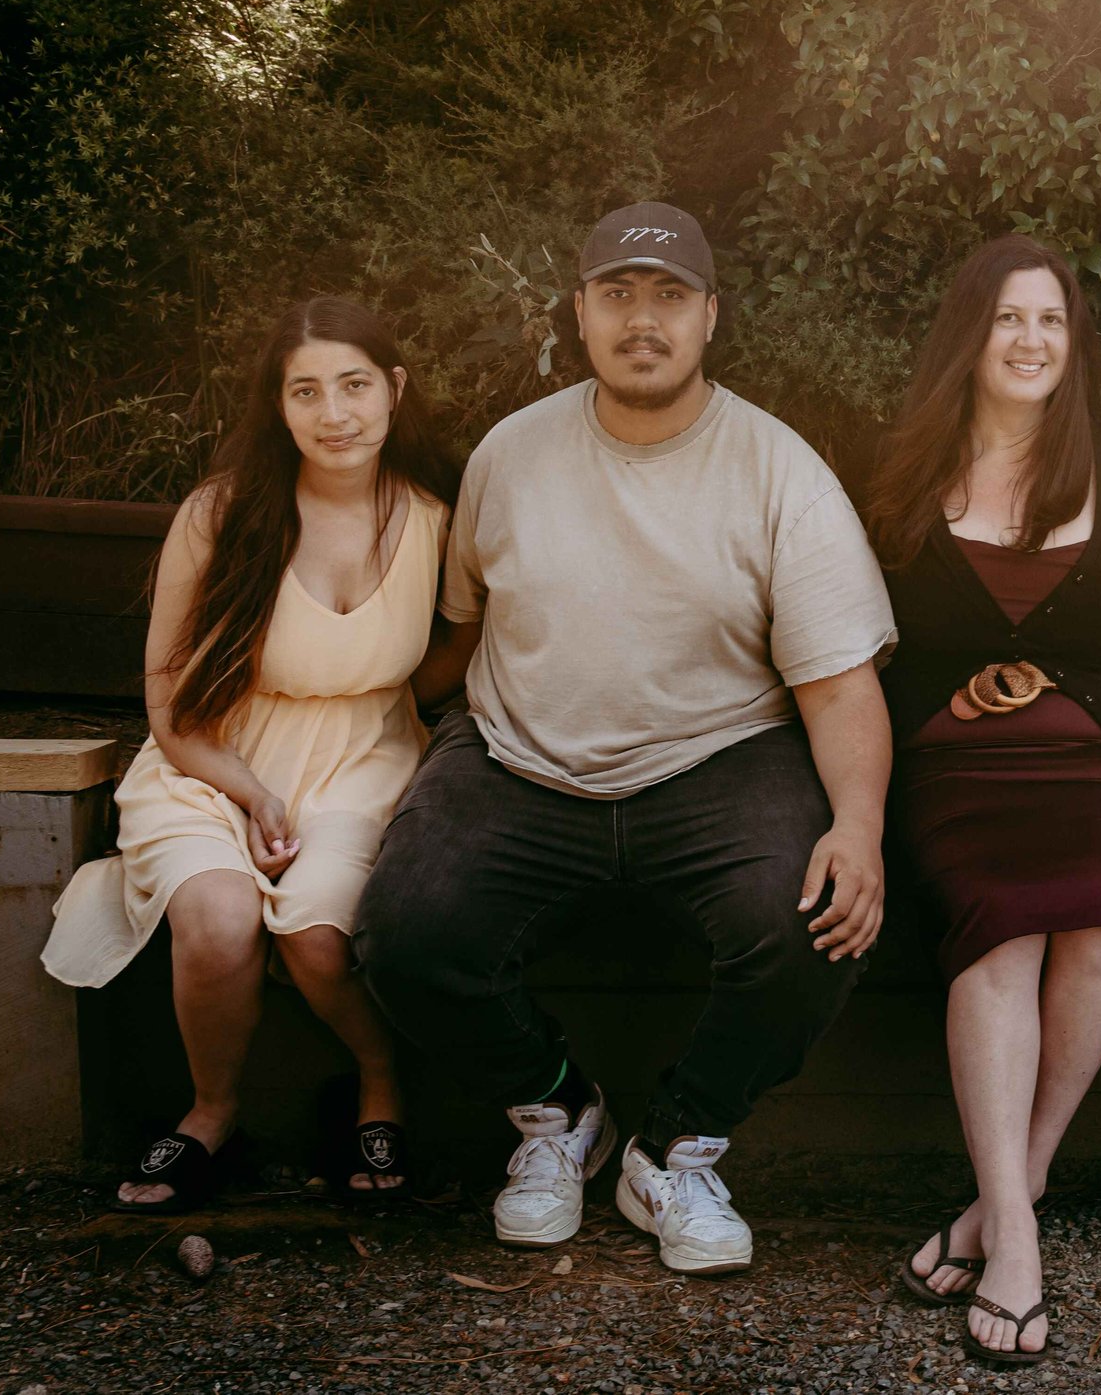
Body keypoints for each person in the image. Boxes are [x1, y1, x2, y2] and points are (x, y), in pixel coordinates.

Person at [356, 202, 895, 1274]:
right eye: (618, 294)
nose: (640, 318)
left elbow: (837, 687)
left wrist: (861, 825)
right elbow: (463, 632)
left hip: (717, 759)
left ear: (709, 317)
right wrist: (343, 729)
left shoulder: (779, 469)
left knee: (817, 924)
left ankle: (674, 1149)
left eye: (667, 296)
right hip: (520, 758)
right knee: (402, 931)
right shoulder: (513, 454)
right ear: (582, 313)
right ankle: (559, 1113)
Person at [44, 297, 459, 1213]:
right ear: (278, 405)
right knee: (221, 912)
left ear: (393, 389)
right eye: (305, 390)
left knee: (314, 933)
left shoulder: (436, 518)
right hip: (212, 760)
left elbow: (454, 649)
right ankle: (211, 1113)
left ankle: (380, 1087)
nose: (334, 412)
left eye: (354, 384)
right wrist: (255, 796)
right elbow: (169, 704)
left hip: (362, 760)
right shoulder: (221, 514)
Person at [861, 236, 1101, 1367]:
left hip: (1089, 753)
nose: (1031, 339)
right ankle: (1018, 1242)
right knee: (997, 922)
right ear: (970, 334)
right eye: (1008, 318)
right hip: (948, 762)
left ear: (1073, 341)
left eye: (1050, 320)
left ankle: (1013, 1191)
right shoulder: (895, 462)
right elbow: (845, 633)